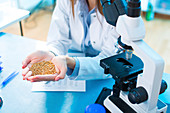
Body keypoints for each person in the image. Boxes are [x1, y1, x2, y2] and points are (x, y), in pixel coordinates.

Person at [22, 0, 119, 82]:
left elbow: (111, 61)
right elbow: (58, 40)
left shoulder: (118, 8)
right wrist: (52, 53)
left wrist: (71, 62)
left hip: (103, 76)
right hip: (71, 63)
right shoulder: (67, 2)